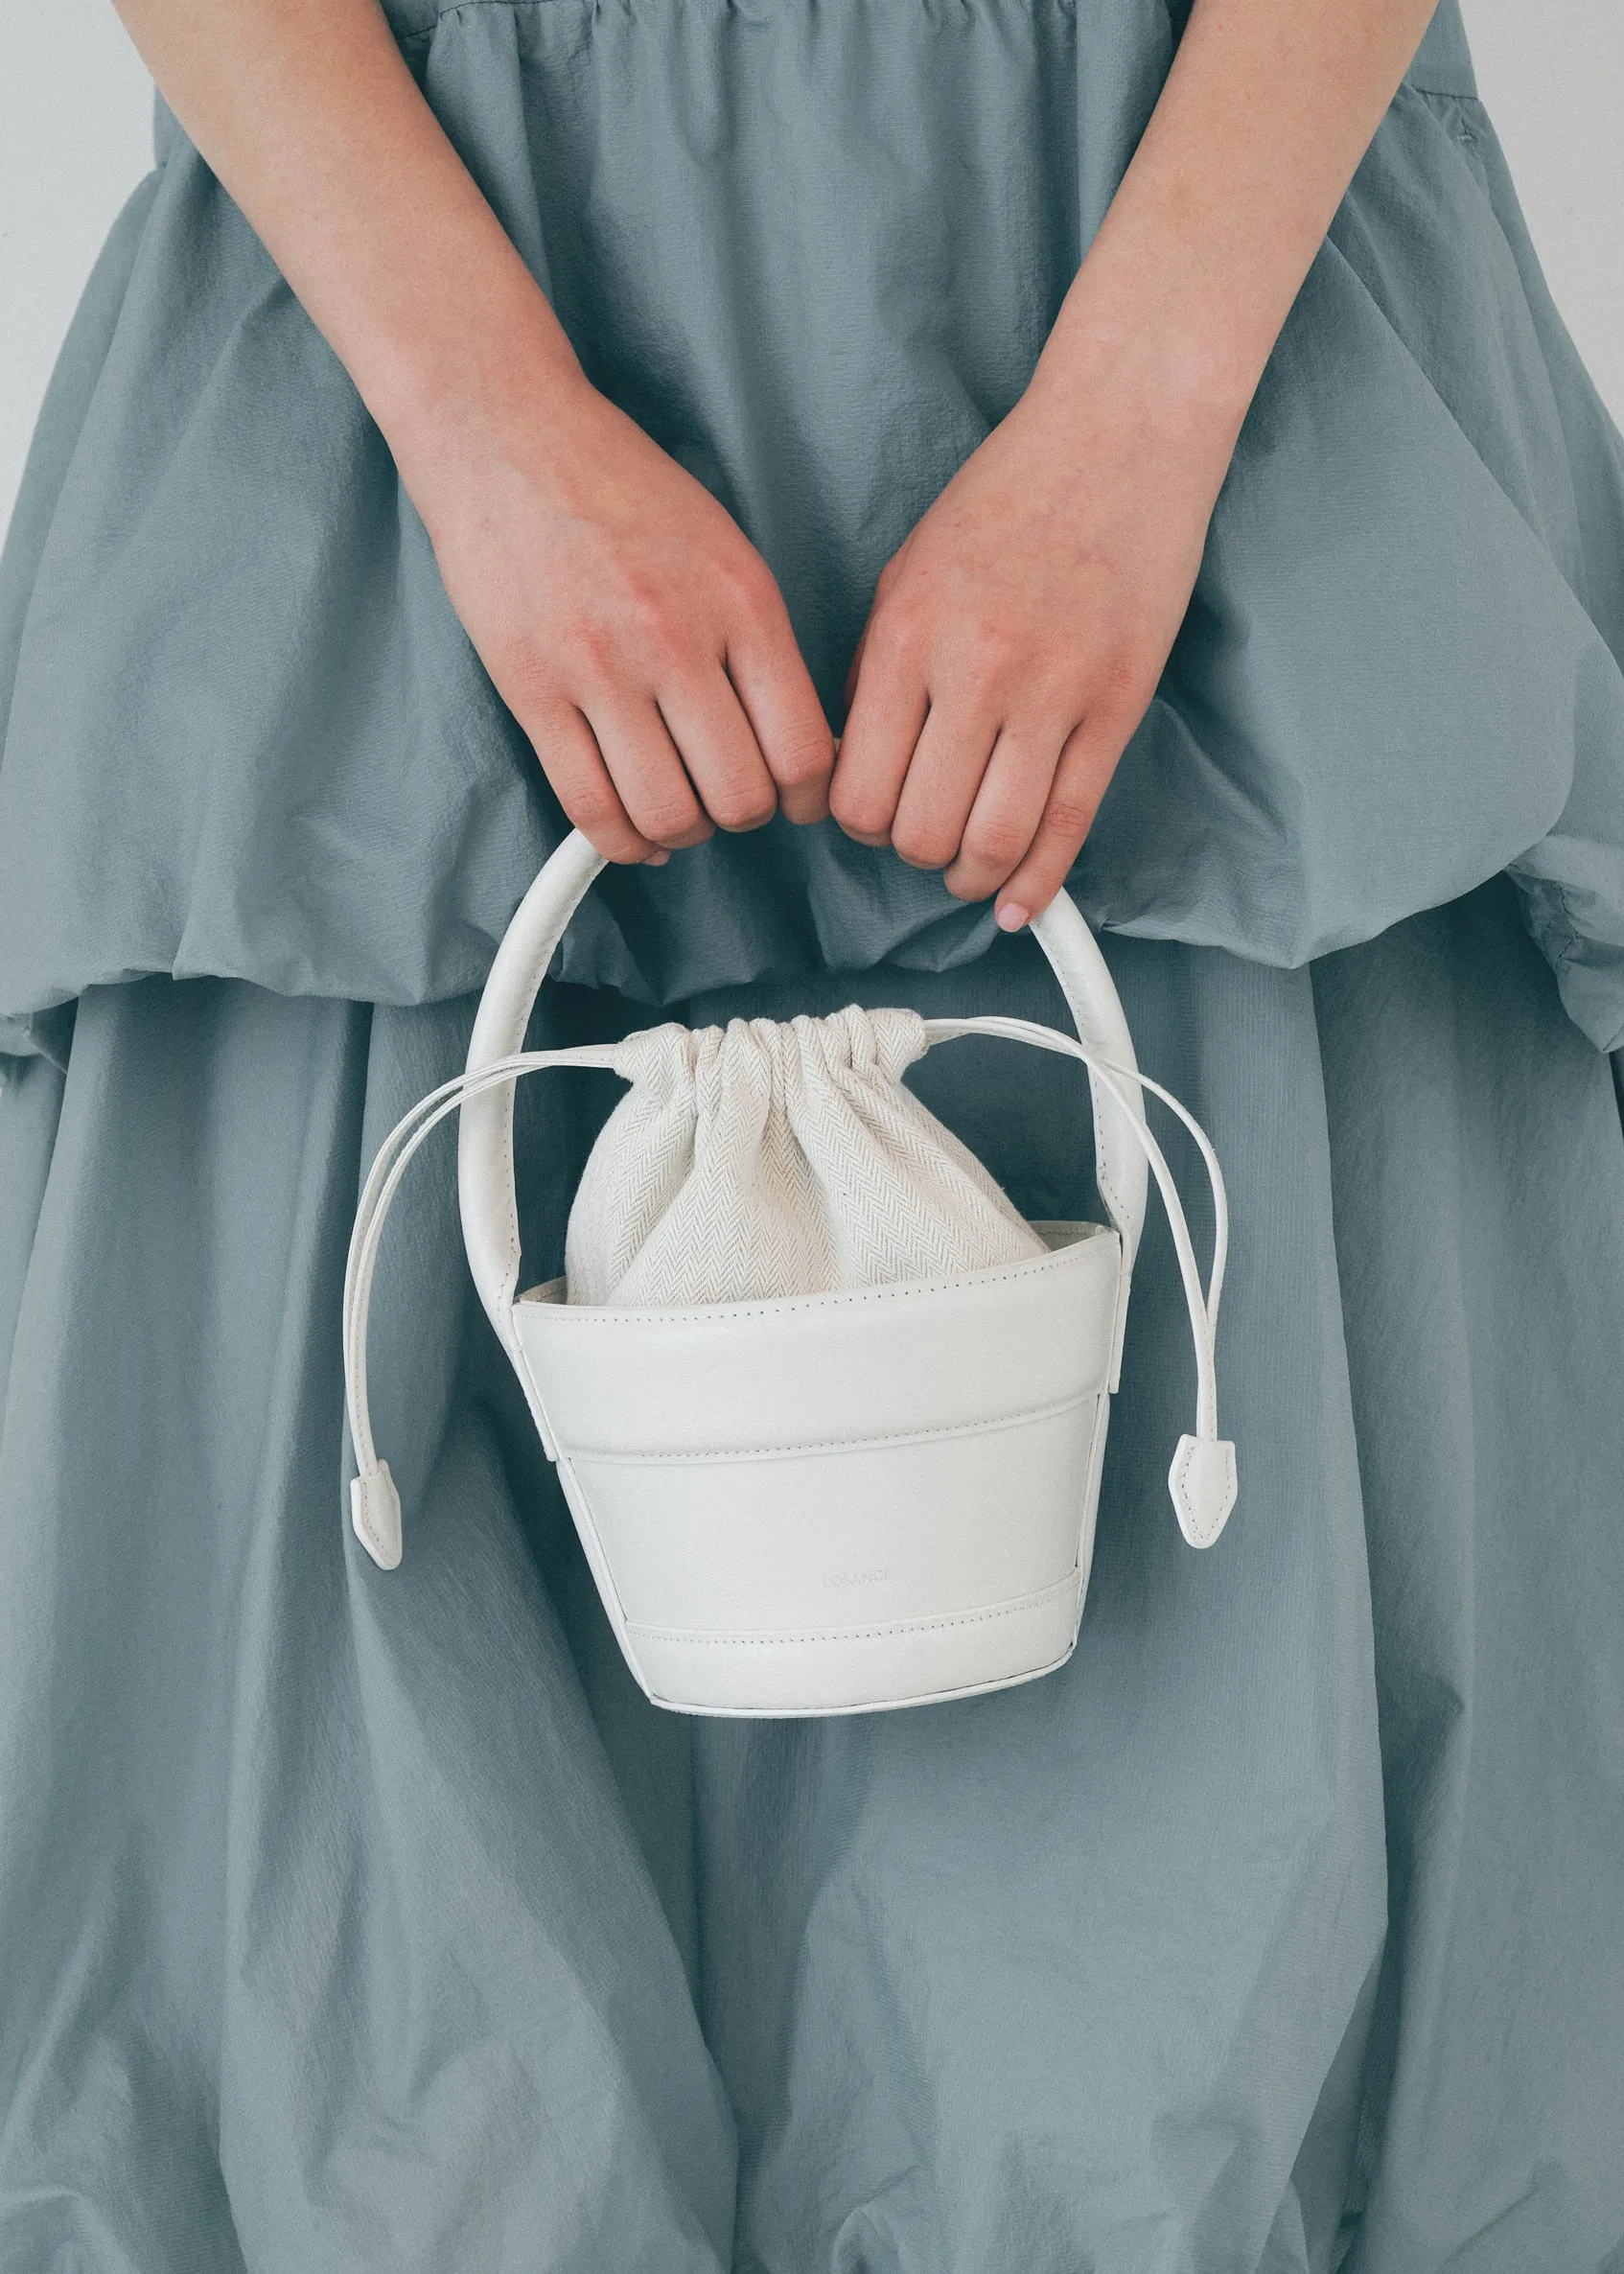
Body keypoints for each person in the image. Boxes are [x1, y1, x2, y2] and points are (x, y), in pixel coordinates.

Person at [0, 0, 1620, 2262]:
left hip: (1212, 317)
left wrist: (1141, 416)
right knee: (344, 2022)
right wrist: (480, 419)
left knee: (1218, 1992)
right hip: (392, 338)